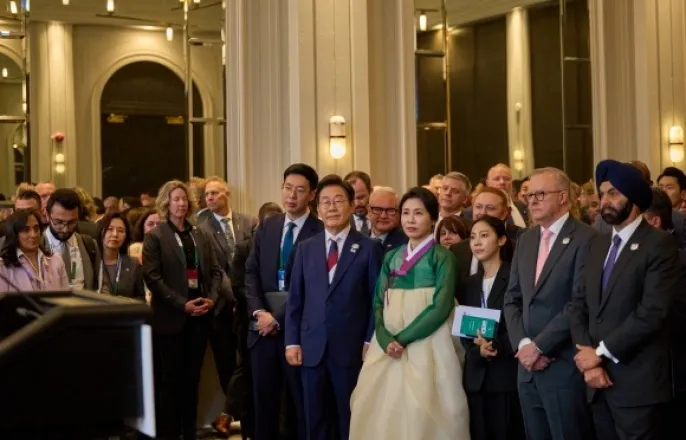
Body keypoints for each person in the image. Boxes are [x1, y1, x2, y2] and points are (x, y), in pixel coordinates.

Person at [568, 160, 680, 440]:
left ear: (634, 199)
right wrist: (588, 356)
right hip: (595, 381)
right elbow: (578, 304)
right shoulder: (598, 244)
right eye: (602, 193)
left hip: (636, 383)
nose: (605, 201)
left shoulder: (658, 244)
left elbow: (652, 313)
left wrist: (600, 353)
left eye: (614, 193)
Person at [349, 187, 468, 440]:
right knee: (379, 406)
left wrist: (402, 339)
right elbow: (378, 302)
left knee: (425, 407)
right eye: (405, 213)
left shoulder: (443, 257)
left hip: (429, 340)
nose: (410, 220)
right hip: (388, 342)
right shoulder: (391, 257)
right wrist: (384, 337)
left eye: (418, 213)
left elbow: (441, 306)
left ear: (433, 218)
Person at [286, 174, 383, 440]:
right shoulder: (305, 248)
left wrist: (370, 340)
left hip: (351, 349)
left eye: (338, 201)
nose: (331, 207)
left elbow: (377, 301)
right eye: (325, 202)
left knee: (348, 417)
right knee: (315, 419)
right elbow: (295, 299)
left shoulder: (369, 248)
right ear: (318, 208)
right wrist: (291, 341)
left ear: (352, 205)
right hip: (311, 347)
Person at [503, 167, 595, 440]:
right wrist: (523, 345)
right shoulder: (526, 239)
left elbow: (578, 302)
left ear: (563, 197)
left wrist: (540, 346)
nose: (531, 201)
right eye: (529, 195)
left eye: (540, 194)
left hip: (563, 366)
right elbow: (512, 298)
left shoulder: (587, 238)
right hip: (527, 369)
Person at [246, 163, 323, 440]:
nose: (291, 195)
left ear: (311, 195)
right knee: (263, 404)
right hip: (262, 329)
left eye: (300, 190)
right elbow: (251, 272)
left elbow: (314, 286)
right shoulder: (269, 225)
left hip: (298, 331)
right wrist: (259, 312)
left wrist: (277, 318)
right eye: (287, 188)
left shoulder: (320, 232)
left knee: (298, 406)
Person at [142, 180, 222, 440]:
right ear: (166, 203)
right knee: (170, 381)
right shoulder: (156, 235)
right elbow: (152, 277)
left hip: (199, 315)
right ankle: (169, 433)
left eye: (185, 199)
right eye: (176, 199)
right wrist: (180, 303)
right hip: (171, 317)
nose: (181, 203)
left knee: (192, 379)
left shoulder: (200, 234)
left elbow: (215, 271)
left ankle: (189, 432)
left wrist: (211, 299)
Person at [461, 215, 524, 440]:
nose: (477, 242)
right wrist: (476, 350)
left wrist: (497, 346)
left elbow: (522, 323)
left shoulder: (516, 277)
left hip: (506, 374)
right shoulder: (469, 284)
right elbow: (465, 329)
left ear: (501, 240)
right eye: (473, 237)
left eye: (484, 236)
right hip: (476, 377)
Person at [0, 210, 68, 291]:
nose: (33, 234)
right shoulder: (3, 266)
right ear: (14, 234)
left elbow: (66, 297)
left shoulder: (56, 260)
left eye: (36, 229)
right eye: (26, 230)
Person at [95, 212, 145, 300]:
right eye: (110, 229)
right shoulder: (91, 261)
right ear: (101, 231)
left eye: (121, 231)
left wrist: (128, 301)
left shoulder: (133, 264)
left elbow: (141, 298)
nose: (115, 234)